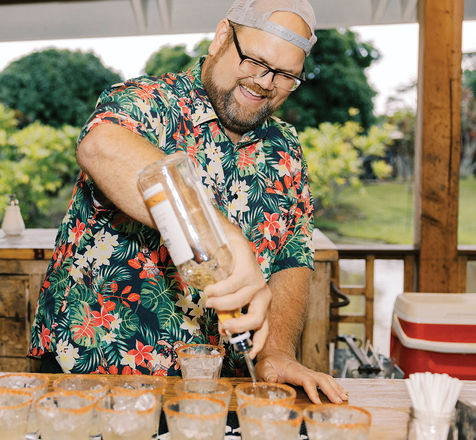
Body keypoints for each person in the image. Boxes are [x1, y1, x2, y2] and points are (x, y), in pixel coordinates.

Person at [27, 0, 348, 404]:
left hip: (215, 390)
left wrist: (276, 352)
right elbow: (101, 147)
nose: (265, 82)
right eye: (255, 60)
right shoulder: (146, 100)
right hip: (93, 379)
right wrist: (223, 238)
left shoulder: (286, 148)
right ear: (220, 38)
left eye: (286, 75)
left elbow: (291, 258)